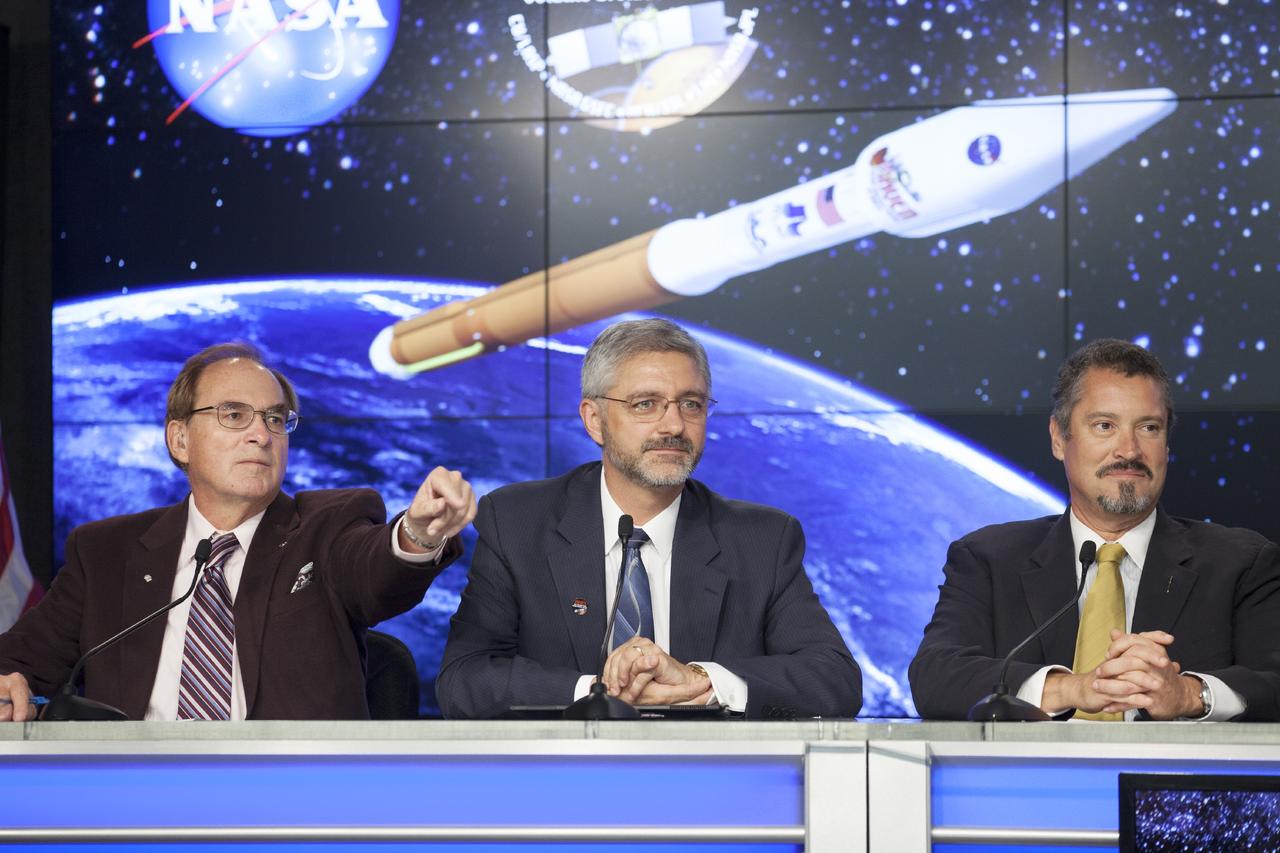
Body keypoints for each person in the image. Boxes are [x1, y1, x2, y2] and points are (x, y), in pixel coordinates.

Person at [0, 342, 476, 721]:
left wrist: (415, 533)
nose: (261, 435)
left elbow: (376, 570)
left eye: (274, 418)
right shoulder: (105, 552)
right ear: (180, 439)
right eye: (233, 414)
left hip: (289, 810)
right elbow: (18, 661)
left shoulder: (329, 526)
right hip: (136, 806)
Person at [436, 318, 861, 719]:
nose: (673, 424)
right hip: (560, 781)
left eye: (691, 404)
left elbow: (834, 680)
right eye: (646, 404)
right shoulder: (516, 522)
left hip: (708, 782)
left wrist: (701, 682)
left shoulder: (762, 539)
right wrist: (597, 693)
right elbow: (464, 680)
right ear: (595, 420)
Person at [910, 339, 1280, 721]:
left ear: (1167, 441)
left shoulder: (1242, 564)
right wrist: (1074, 688)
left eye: (1149, 427)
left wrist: (1189, 694)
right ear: (1059, 438)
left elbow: (1274, 681)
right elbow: (935, 675)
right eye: (1105, 426)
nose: (1129, 450)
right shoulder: (988, 558)